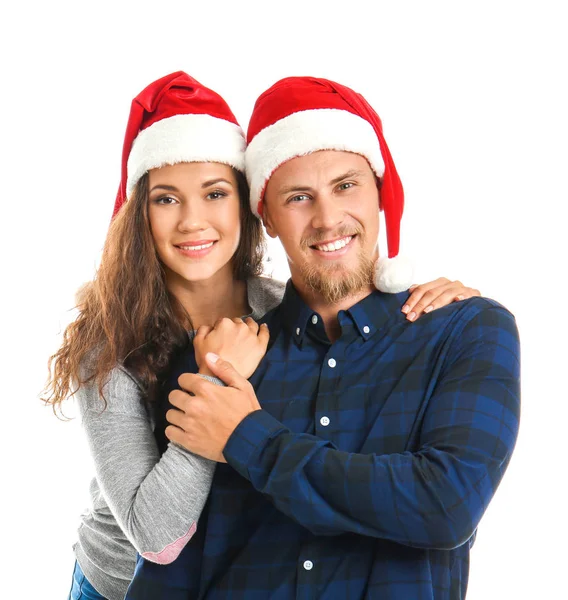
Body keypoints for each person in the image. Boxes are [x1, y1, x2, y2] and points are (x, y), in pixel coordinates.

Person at [42, 72, 477, 600]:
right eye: (166, 200)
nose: (192, 222)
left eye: (214, 193)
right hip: (122, 581)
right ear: (140, 216)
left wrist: (431, 303)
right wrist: (217, 385)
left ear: (249, 209)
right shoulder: (109, 351)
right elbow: (153, 538)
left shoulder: (282, 309)